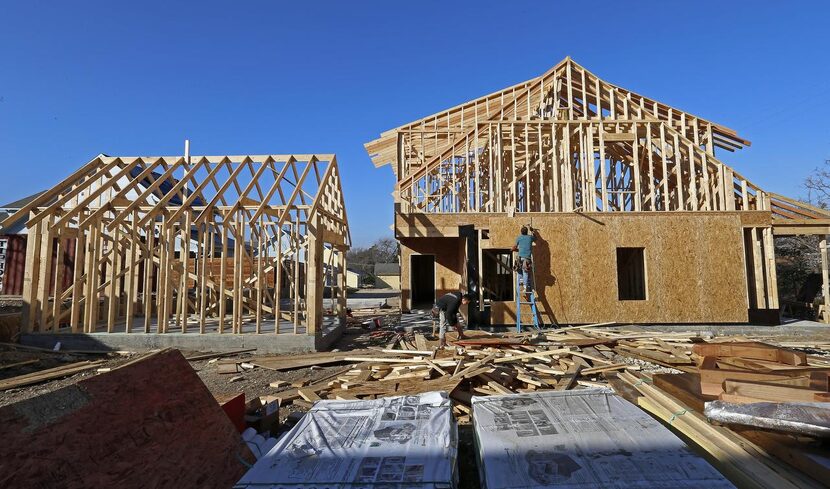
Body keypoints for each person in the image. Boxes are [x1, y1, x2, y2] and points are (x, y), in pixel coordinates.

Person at [512, 226, 536, 292]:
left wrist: (513, 249)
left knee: (519, 271)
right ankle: (525, 287)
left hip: (519, 258)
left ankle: (520, 286)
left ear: (521, 232)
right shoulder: (530, 237)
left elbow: (514, 247)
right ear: (527, 232)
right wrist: (533, 231)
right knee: (525, 272)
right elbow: (535, 238)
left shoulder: (519, 238)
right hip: (527, 258)